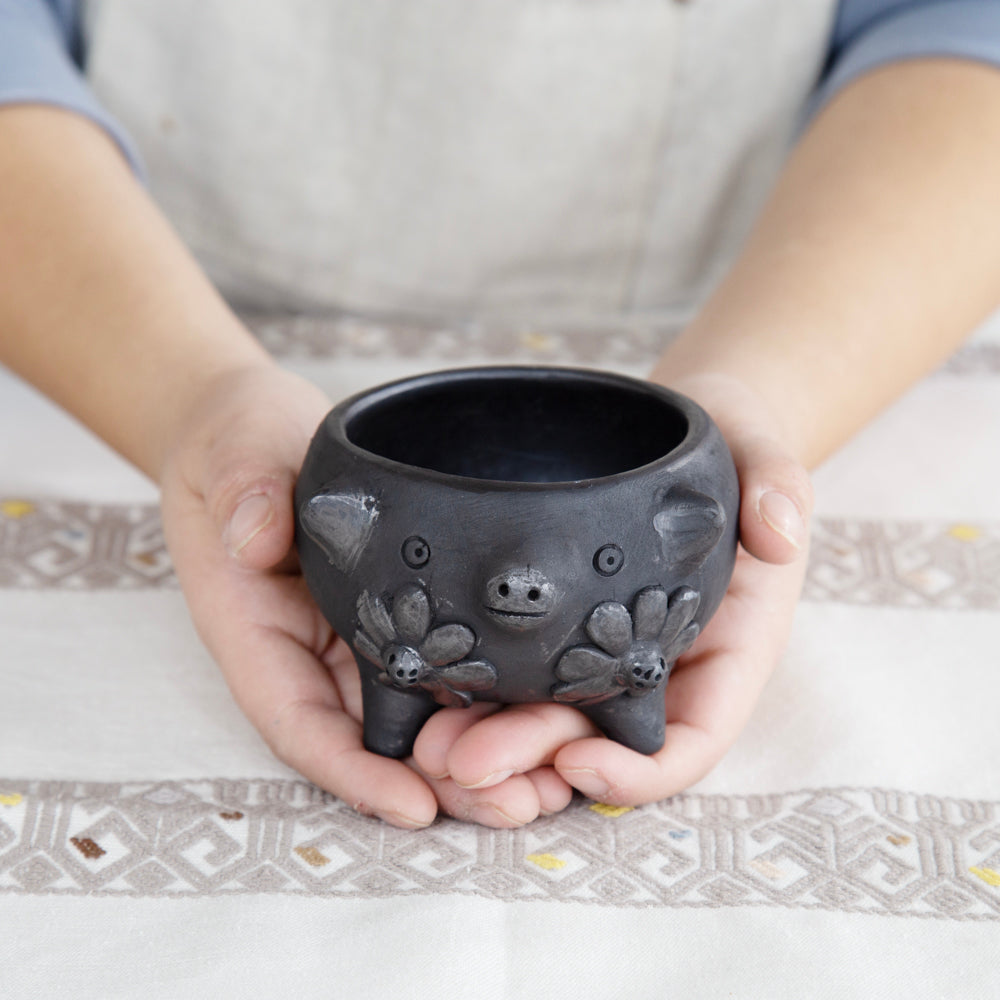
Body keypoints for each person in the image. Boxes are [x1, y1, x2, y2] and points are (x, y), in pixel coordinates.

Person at [2, 0, 999, 829]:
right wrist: (191, 397)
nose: (522, 583)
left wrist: (761, 395)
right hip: (102, 306)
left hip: (812, 291)